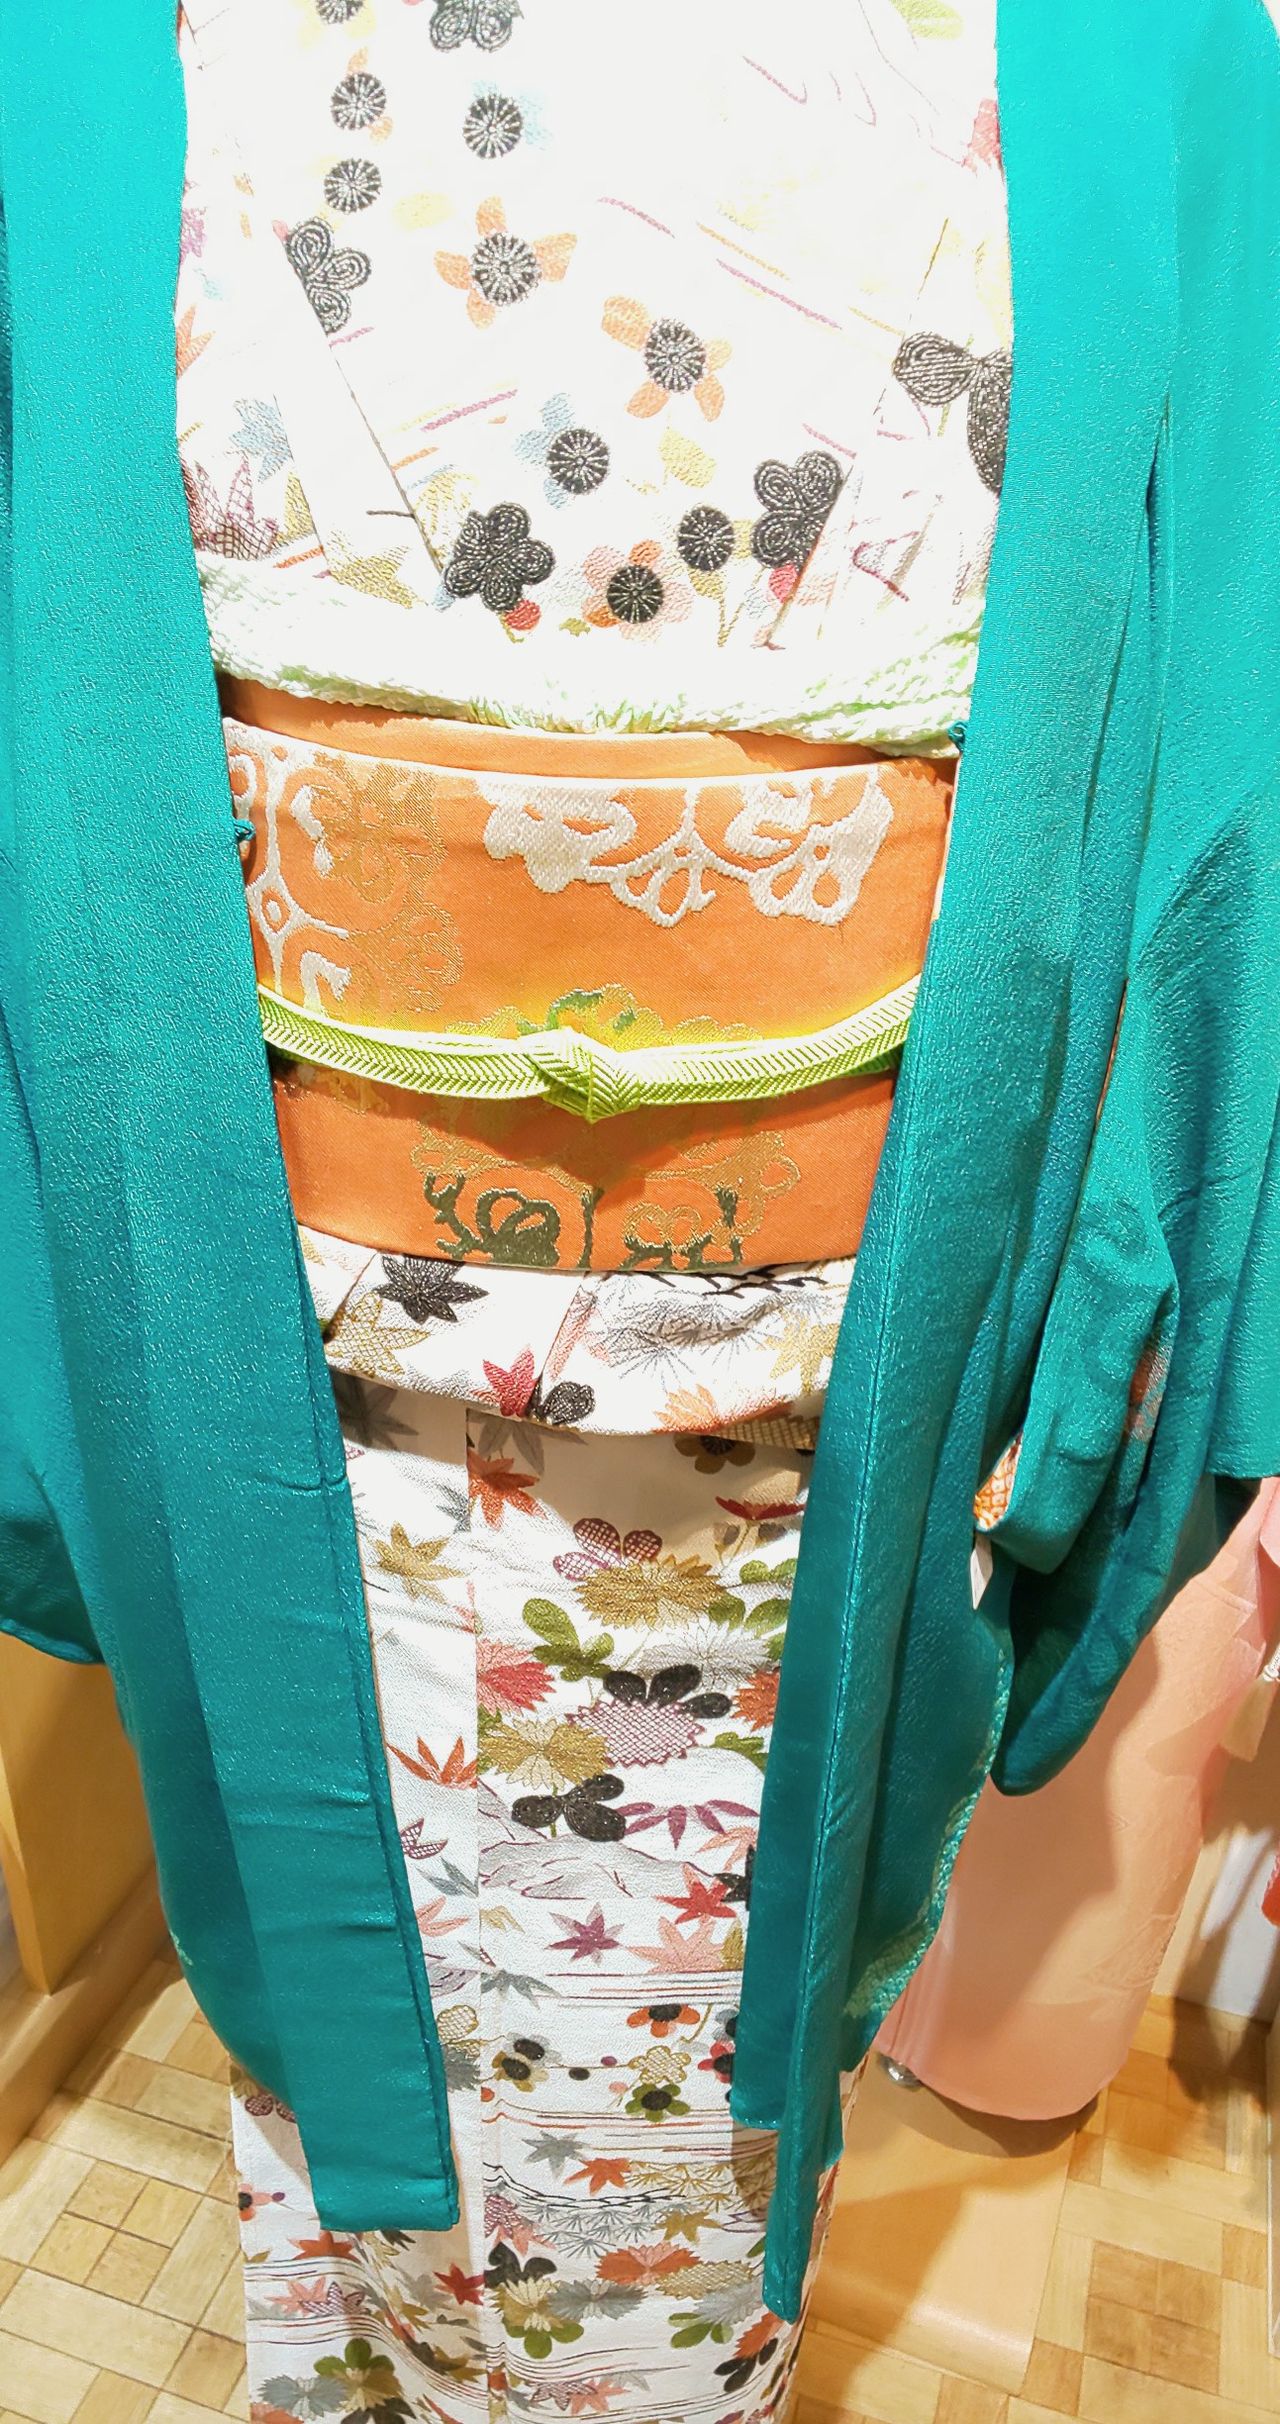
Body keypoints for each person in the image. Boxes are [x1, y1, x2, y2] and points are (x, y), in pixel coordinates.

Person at [2, 4, 1278, 2418]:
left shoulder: (1167, 52)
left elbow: (1227, 708)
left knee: (696, 2114)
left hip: (834, 1412)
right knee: (330, 2050)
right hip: (278, 1370)